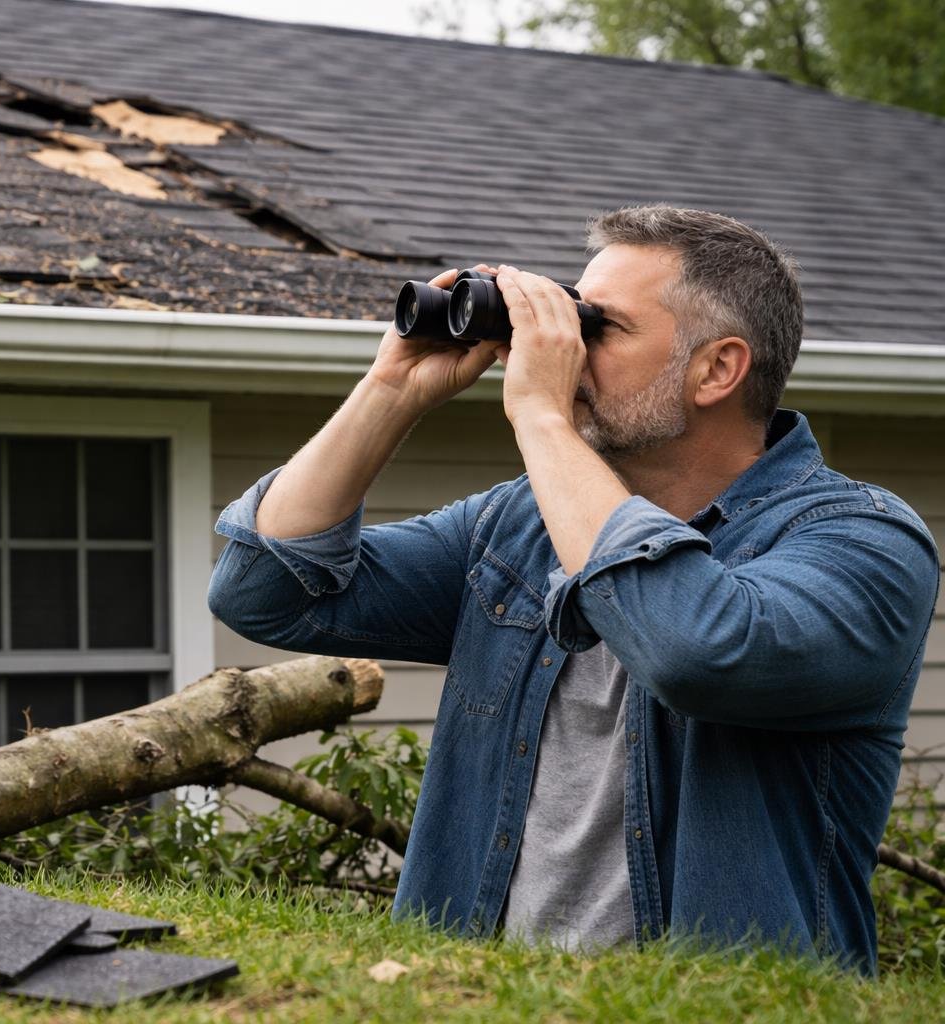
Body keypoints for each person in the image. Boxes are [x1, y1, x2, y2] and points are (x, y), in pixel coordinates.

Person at [205, 205, 938, 975]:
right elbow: (266, 591)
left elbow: (698, 650)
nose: (560, 345)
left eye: (597, 326)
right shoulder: (516, 525)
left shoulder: (863, 542)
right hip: (480, 993)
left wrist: (542, 418)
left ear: (717, 369)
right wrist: (392, 387)